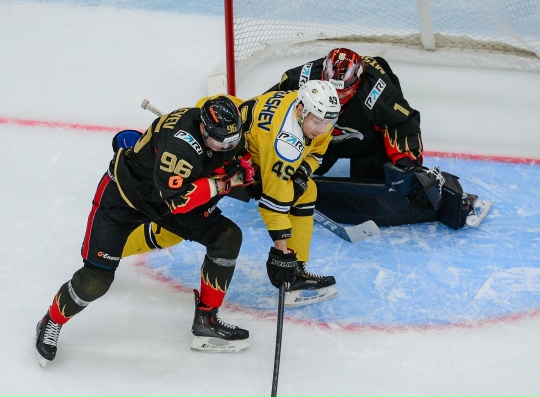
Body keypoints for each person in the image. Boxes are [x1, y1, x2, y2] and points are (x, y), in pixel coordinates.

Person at [34, 96, 255, 367]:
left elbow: (232, 156)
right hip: (124, 197)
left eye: (233, 140)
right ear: (203, 128)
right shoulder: (179, 148)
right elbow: (179, 201)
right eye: (222, 142)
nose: (229, 146)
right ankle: (51, 320)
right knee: (95, 281)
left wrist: (244, 169)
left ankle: (206, 319)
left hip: (161, 200)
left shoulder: (221, 132)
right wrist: (225, 183)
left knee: (226, 237)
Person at [266, 47, 492, 230]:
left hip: (364, 143)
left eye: (343, 93)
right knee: (285, 164)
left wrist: (407, 167)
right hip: (316, 138)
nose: (335, 98)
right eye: (330, 89)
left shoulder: (377, 91)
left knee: (378, 184)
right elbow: (265, 110)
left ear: (357, 83)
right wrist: (257, 153)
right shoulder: (301, 79)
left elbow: (402, 123)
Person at [239, 79, 342, 306]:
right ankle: (293, 269)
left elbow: (316, 154)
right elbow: (272, 206)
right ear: (300, 110)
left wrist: (301, 173)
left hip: (257, 140)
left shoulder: (319, 113)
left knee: (307, 189)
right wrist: (281, 254)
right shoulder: (286, 146)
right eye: (317, 122)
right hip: (234, 152)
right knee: (283, 195)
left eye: (326, 123)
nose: (321, 129)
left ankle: (298, 268)